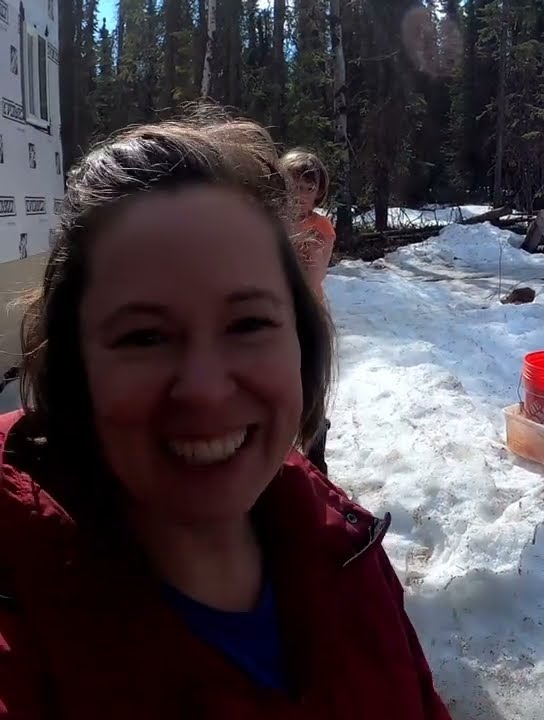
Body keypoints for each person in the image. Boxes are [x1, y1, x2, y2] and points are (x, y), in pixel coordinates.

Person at [0, 111, 452, 719]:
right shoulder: (20, 598)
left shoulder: (344, 552)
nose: (207, 391)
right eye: (143, 336)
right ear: (73, 363)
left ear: (301, 341)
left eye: (248, 324)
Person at [279, 148, 335, 474]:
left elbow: (315, 275)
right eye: (293, 185)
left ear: (318, 192)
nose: (300, 195)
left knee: (311, 387)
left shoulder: (320, 227)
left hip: (308, 316)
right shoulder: (270, 221)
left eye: (308, 188)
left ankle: (317, 467)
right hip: (274, 317)